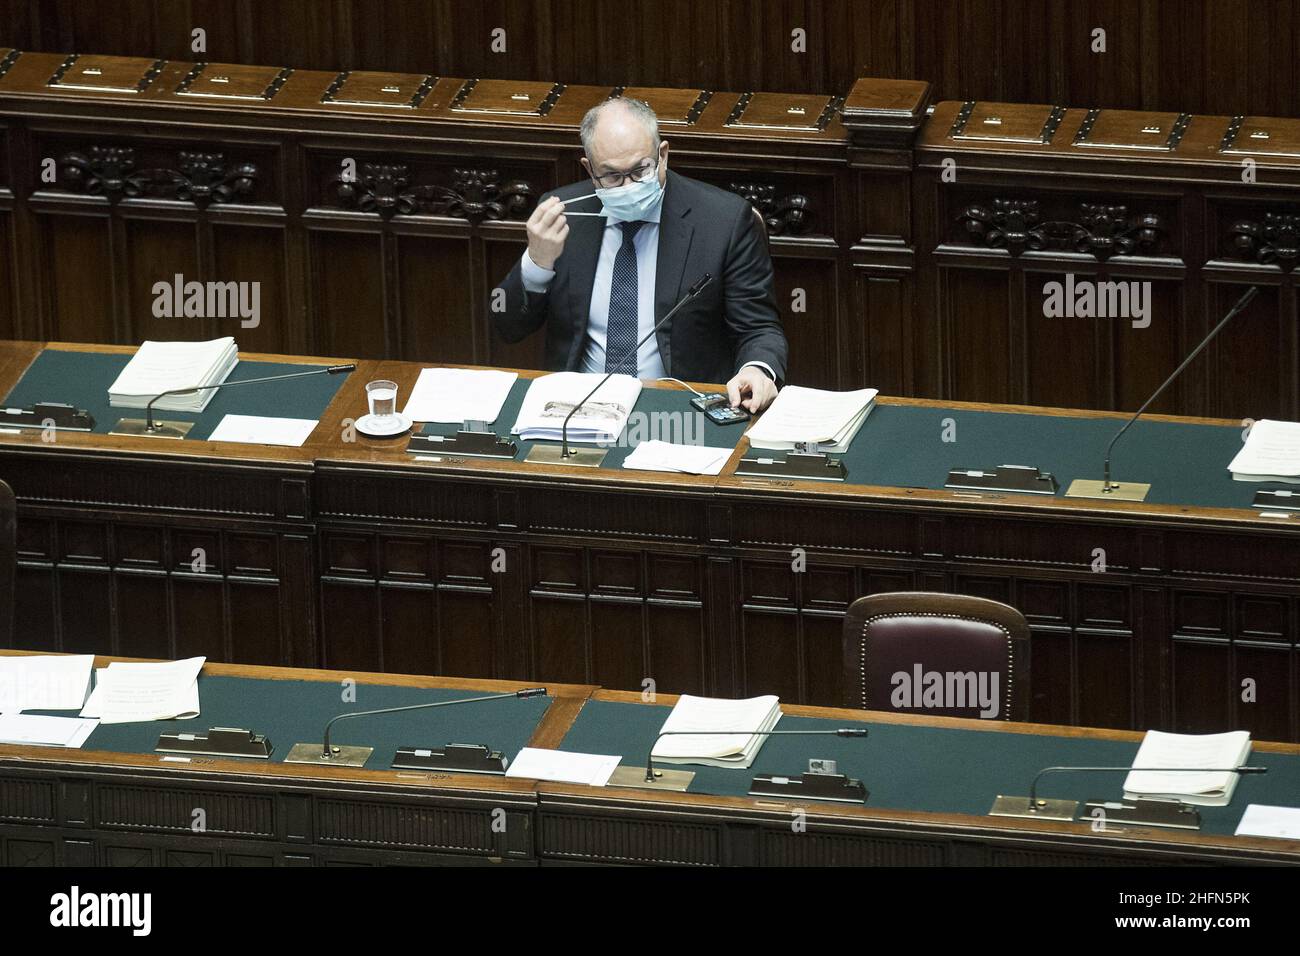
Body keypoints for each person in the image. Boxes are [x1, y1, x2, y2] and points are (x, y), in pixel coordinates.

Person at [493, 96, 788, 412]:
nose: (628, 186)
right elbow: (508, 327)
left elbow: (758, 328)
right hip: (577, 410)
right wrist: (538, 263)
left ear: (662, 154)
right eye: (612, 176)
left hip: (681, 410)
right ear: (589, 169)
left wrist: (757, 370)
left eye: (640, 170)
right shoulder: (563, 216)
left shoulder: (723, 222)